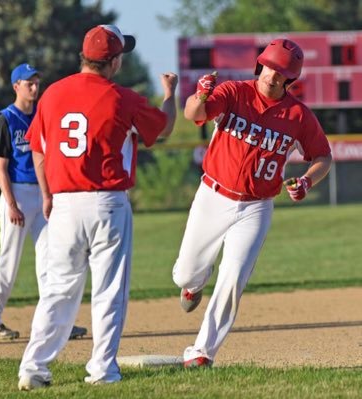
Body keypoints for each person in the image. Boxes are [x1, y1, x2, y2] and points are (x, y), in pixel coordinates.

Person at [18, 24, 178, 390]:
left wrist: (46, 195)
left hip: (62, 204)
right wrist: (169, 94)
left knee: (57, 290)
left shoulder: (53, 95)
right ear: (115, 60)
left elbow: (39, 149)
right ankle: (102, 370)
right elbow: (165, 128)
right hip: (106, 203)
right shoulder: (122, 97)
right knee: (108, 292)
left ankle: (33, 368)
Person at [172, 38, 332, 367]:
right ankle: (194, 283)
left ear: (291, 79)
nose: (272, 76)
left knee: (233, 281)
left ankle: (202, 352)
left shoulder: (297, 115)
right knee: (184, 275)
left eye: (281, 72)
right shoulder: (234, 92)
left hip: (256, 207)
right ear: (260, 65)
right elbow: (193, 114)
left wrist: (306, 181)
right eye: (269, 67)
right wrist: (200, 95)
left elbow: (323, 157)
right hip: (213, 195)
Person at [0, 63, 87, 341]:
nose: (35, 87)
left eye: (37, 82)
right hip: (16, 192)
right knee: (9, 259)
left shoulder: (42, 114)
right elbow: (1, 167)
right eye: (29, 83)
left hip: (42, 193)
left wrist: (50, 194)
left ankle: (55, 321)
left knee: (52, 259)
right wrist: (11, 204)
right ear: (16, 86)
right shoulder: (6, 119)